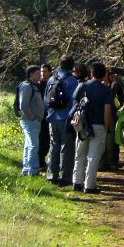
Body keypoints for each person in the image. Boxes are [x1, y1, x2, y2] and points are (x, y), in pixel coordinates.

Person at [71, 62, 116, 194]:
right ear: (104, 75)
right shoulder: (106, 90)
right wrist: (107, 127)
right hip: (98, 124)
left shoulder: (82, 86)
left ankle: (77, 182)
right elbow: (107, 111)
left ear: (91, 73)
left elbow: (75, 103)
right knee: (93, 156)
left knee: (80, 154)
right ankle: (89, 185)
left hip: (83, 124)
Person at [45, 56, 79, 186]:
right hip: (66, 118)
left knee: (54, 145)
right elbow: (74, 101)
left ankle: (51, 174)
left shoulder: (52, 79)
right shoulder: (72, 81)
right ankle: (65, 177)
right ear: (72, 66)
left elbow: (46, 99)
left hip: (52, 117)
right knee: (67, 148)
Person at [16, 65, 45, 176]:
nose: (40, 75)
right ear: (31, 74)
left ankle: (27, 169)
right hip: (29, 121)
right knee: (34, 145)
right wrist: (33, 117)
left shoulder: (34, 86)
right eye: (38, 73)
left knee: (29, 145)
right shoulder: (27, 86)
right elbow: (23, 105)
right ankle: (33, 170)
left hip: (34, 121)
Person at [37, 63, 52, 174]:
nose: (43, 73)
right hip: (40, 115)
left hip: (48, 115)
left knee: (46, 139)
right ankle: (40, 161)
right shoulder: (38, 84)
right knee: (41, 139)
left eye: (45, 71)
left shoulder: (51, 83)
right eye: (42, 71)